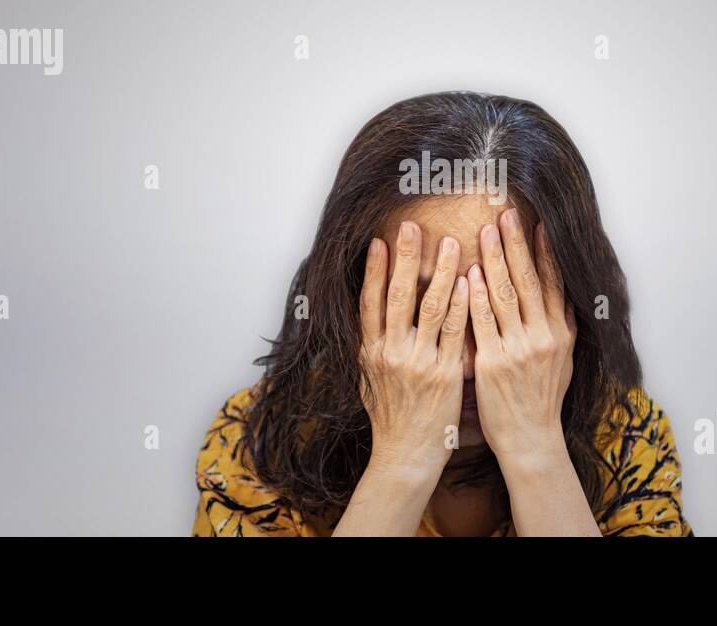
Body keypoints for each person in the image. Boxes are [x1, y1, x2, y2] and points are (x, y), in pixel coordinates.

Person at [193, 91, 691, 536]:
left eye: (508, 308)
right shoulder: (259, 440)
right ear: (350, 297)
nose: (470, 364)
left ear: (572, 303)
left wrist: (537, 452)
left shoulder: (624, 437)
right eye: (423, 307)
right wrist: (401, 463)